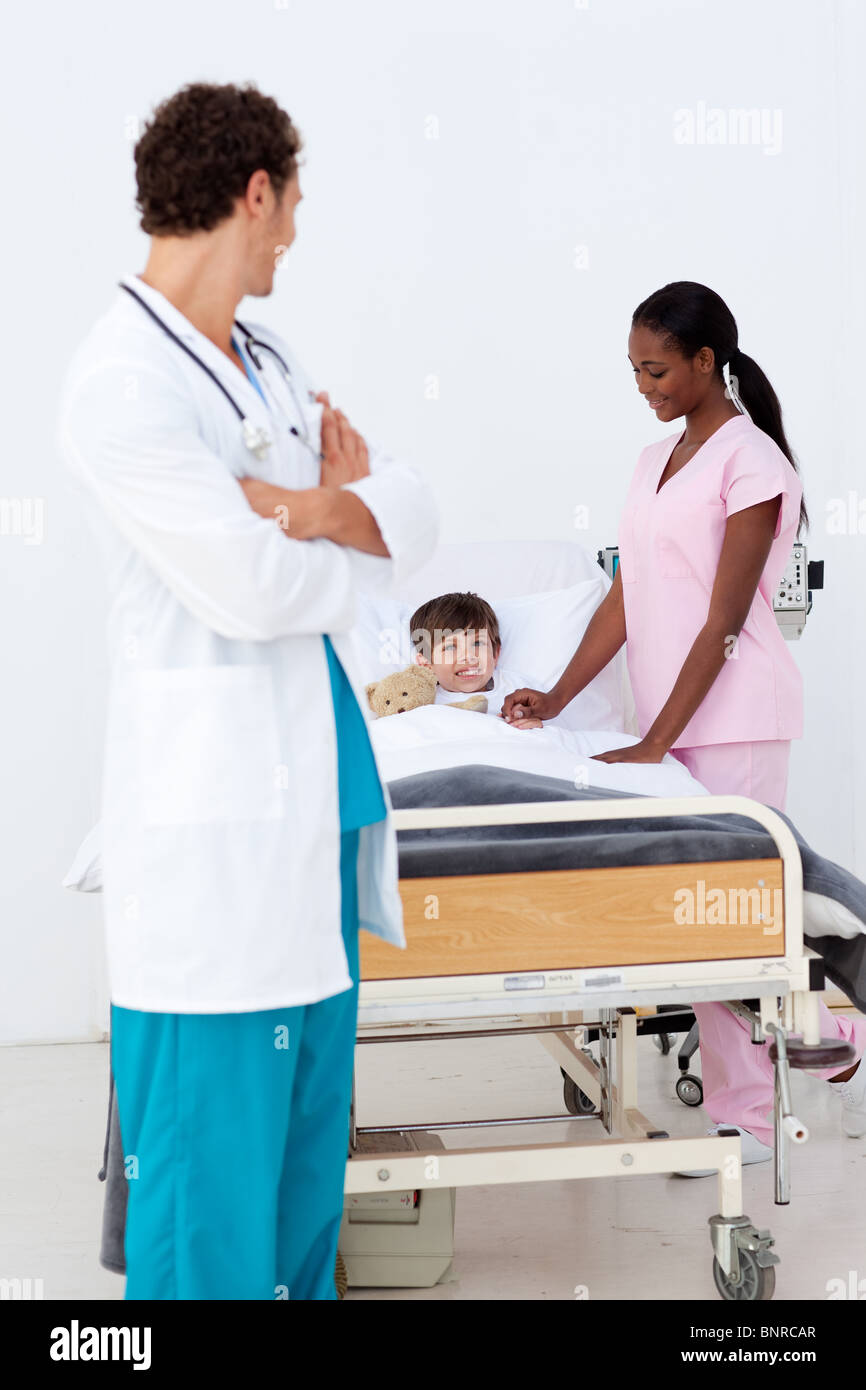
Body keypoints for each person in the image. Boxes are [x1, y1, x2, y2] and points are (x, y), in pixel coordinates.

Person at [56, 81, 437, 1297]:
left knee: (298, 1171)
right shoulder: (123, 382)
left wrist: (312, 513)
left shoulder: (267, 360)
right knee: (203, 1205)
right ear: (254, 191)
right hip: (212, 848)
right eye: (291, 204)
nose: (292, 234)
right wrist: (345, 529)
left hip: (311, 814)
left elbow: (408, 513)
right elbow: (252, 591)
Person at [502, 281, 866, 1167]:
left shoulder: (754, 467)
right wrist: (555, 694)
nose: (644, 384)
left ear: (707, 361)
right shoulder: (650, 461)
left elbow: (727, 619)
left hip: (732, 720)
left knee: (728, 912)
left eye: (657, 367)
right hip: (668, 716)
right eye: (634, 370)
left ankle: (758, 1112)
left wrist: (660, 740)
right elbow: (628, 598)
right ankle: (824, 1036)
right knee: (693, 914)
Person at [409, 590, 543, 727]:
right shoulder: (419, 699)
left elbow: (556, 731)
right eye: (450, 647)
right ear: (426, 664)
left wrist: (535, 726)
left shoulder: (519, 689)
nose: (468, 656)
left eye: (477, 643)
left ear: (495, 654)